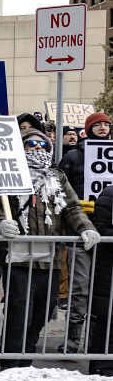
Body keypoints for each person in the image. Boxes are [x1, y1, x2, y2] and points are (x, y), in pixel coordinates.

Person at [0, 128, 99, 370]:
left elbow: (72, 208)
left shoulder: (57, 177)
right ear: (21, 148)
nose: (38, 147)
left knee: (42, 313)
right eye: (31, 143)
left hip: (51, 260)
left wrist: (85, 228)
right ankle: (10, 366)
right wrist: (1, 224)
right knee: (18, 315)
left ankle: (25, 363)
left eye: (42, 144)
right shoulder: (10, 175)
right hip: (18, 260)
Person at [58, 112, 111, 352]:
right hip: (83, 232)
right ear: (88, 129)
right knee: (79, 287)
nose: (102, 128)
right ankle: (73, 338)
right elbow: (59, 189)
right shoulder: (73, 156)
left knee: (104, 290)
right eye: (97, 124)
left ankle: (97, 340)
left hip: (108, 234)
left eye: (106, 124)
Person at [88, 185, 113, 376]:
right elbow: (102, 229)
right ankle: (100, 369)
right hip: (108, 271)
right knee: (106, 321)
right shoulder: (109, 194)